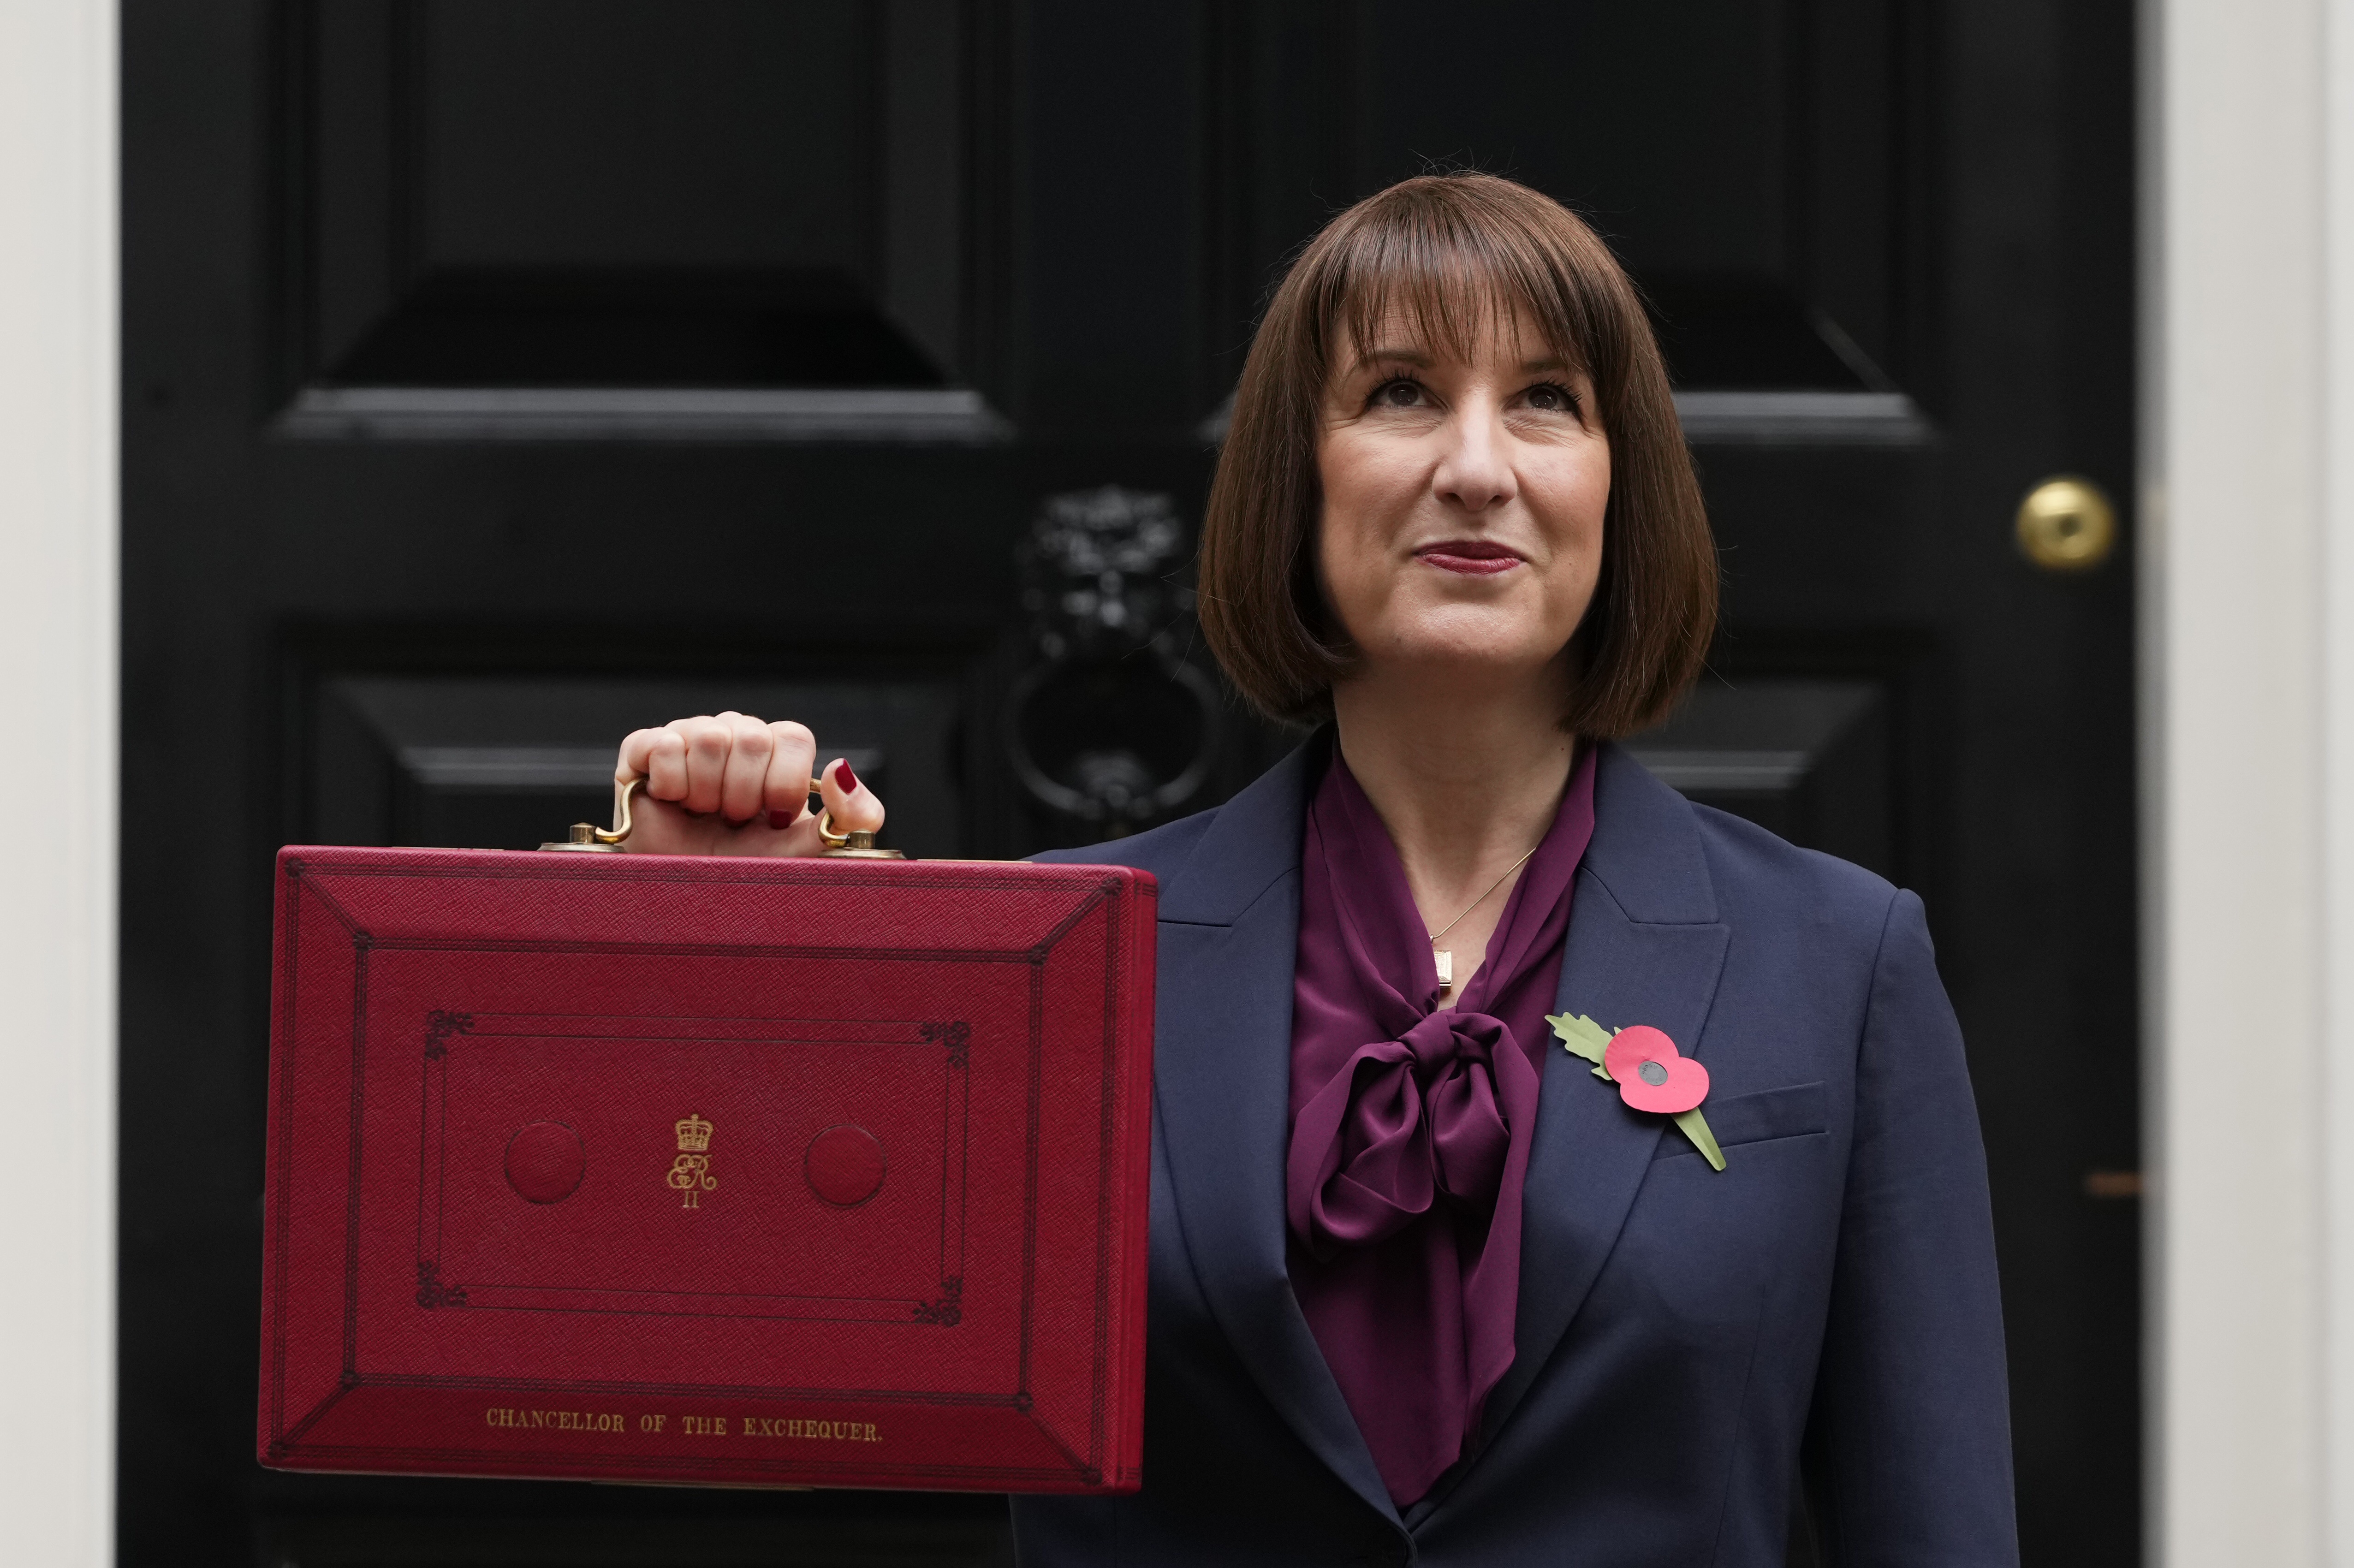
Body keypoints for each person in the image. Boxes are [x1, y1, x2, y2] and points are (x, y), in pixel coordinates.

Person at [611, 173, 2017, 1566]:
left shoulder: (1838, 960)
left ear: (1618, 483)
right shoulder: (1061, 958)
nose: (1477, 464)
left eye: (1546, 399)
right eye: (1401, 391)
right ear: (1300, 474)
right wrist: (714, 947)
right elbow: (708, 1332)